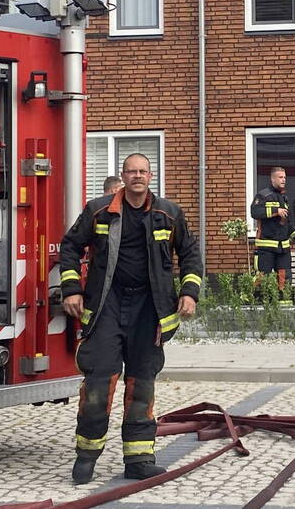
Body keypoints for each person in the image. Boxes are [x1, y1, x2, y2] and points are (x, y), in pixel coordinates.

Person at [59, 153, 202, 484]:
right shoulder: (98, 210)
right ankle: (86, 456)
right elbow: (70, 247)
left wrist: (189, 292)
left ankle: (138, 459)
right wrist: (71, 290)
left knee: (141, 384)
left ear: (151, 176)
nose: (137, 176)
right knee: (98, 384)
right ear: (122, 177)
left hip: (148, 310)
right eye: (131, 171)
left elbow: (191, 253)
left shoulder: (169, 213)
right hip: (106, 305)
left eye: (143, 171)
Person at [250, 166, 295, 292]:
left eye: (284, 177)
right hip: (266, 247)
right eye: (280, 177)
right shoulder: (263, 195)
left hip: (283, 248)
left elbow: (288, 223)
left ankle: (284, 300)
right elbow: (255, 212)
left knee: (284, 277)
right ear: (272, 179)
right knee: (262, 277)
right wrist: (276, 211)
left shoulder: (284, 198)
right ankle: (253, 298)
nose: (284, 180)